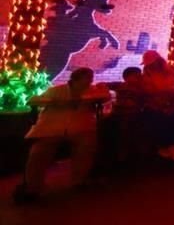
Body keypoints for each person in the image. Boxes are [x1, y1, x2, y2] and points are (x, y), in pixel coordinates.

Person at [16, 68, 107, 201]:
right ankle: (33, 187)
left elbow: (106, 97)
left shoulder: (92, 91)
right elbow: (33, 100)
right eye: (87, 78)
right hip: (52, 128)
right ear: (76, 79)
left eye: (91, 78)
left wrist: (101, 91)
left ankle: (79, 181)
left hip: (81, 128)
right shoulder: (57, 90)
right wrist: (54, 103)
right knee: (39, 151)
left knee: (87, 146)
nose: (90, 81)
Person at [140, 50, 174, 163]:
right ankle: (169, 146)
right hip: (158, 103)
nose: (149, 66)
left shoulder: (172, 70)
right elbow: (148, 92)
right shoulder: (147, 74)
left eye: (151, 64)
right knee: (156, 118)